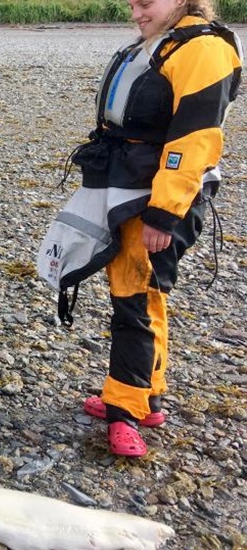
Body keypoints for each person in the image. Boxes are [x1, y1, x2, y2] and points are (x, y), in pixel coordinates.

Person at [70, 0, 241, 456]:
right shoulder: (167, 44)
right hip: (132, 187)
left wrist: (163, 214)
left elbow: (196, 138)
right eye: (132, 4)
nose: (136, 14)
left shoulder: (202, 50)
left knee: (134, 301)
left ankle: (123, 410)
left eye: (145, 3)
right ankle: (149, 398)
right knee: (144, 296)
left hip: (158, 200)